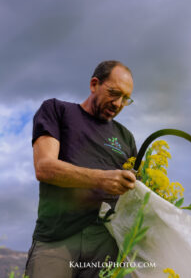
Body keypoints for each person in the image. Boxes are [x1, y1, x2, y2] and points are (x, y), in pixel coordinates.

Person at [24, 60, 137, 278]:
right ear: (94, 84)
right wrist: (102, 179)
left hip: (106, 244)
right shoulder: (57, 110)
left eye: (125, 99)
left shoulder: (125, 138)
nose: (118, 103)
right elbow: (44, 167)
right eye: (114, 93)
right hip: (56, 239)